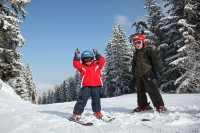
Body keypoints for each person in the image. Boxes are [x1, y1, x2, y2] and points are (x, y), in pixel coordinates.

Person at [131, 34, 166, 113]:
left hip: (148, 73)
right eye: (135, 43)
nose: (137, 45)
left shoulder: (149, 50)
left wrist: (156, 73)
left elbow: (155, 62)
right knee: (140, 91)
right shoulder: (135, 54)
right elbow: (134, 66)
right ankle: (143, 105)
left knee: (152, 90)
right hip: (138, 75)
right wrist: (134, 76)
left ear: (143, 42)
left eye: (138, 42)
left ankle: (159, 105)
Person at [70, 48, 105, 121]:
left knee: (96, 99)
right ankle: (76, 114)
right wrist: (76, 57)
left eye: (89, 59)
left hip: (96, 85)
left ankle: (97, 112)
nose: (88, 61)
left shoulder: (97, 65)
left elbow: (102, 61)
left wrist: (97, 54)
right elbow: (76, 64)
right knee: (82, 99)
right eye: (85, 60)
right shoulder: (82, 67)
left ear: (92, 58)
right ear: (82, 60)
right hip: (86, 86)